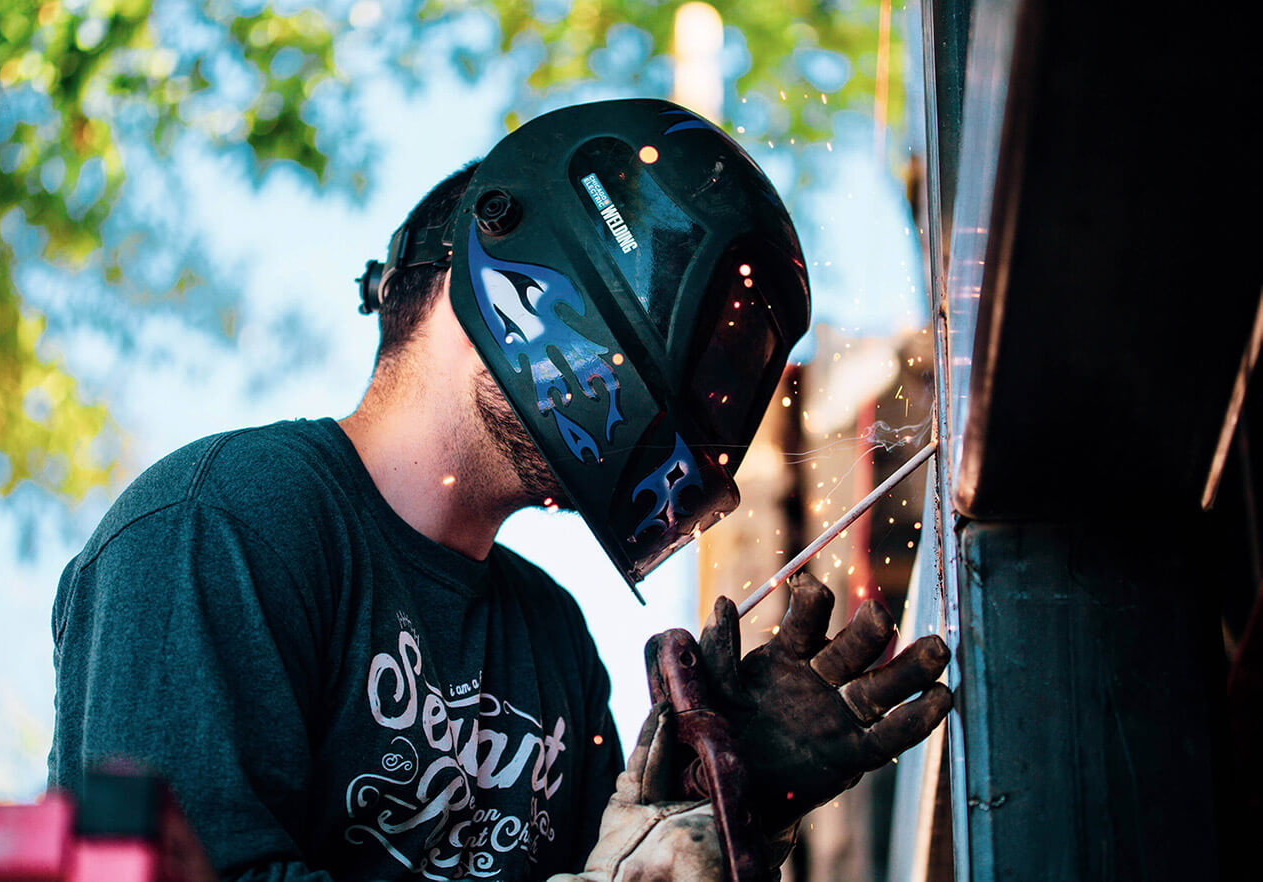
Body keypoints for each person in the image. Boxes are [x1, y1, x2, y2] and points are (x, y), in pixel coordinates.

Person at [49, 99, 951, 881]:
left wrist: (717, 798)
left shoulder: (549, 639)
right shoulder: (223, 524)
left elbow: (618, 862)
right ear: (500, 241)